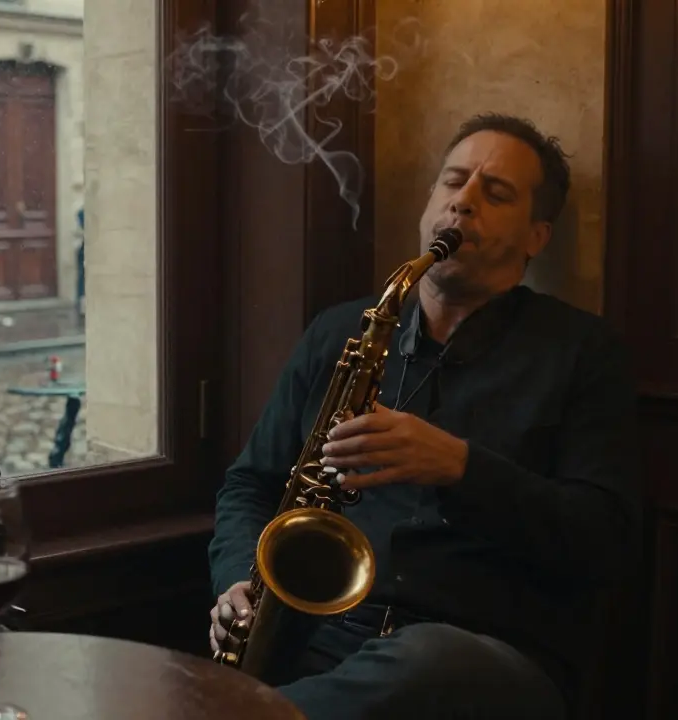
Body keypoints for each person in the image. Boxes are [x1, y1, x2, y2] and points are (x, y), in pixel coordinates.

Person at [208, 113, 639, 719]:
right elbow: (250, 483)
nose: (462, 204)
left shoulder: (585, 354)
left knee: (426, 656)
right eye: (452, 183)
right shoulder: (340, 332)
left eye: (495, 194)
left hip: (490, 655)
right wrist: (237, 581)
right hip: (324, 645)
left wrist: (461, 468)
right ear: (427, 205)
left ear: (537, 236)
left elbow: (606, 540)